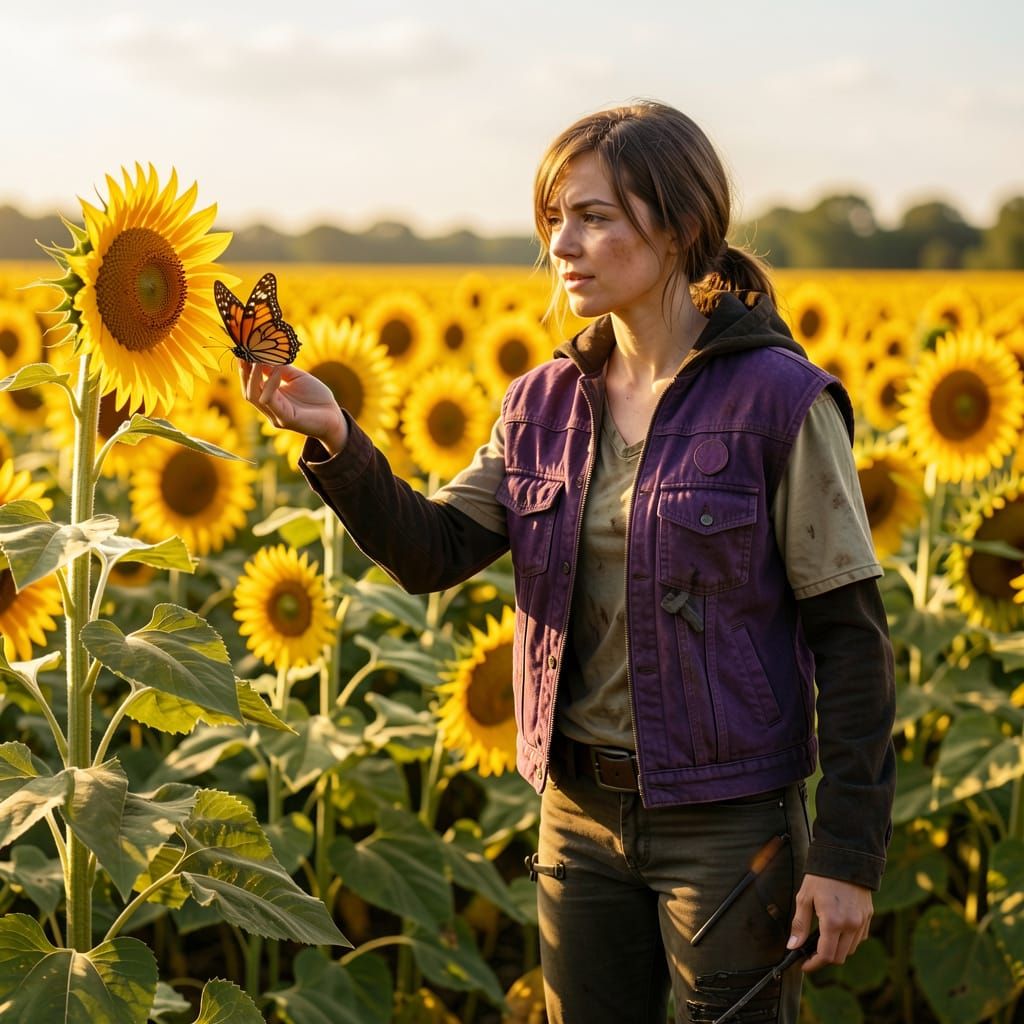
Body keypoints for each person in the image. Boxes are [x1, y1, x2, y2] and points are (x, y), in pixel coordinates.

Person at [239, 99, 895, 1024]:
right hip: (576, 816)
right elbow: (434, 553)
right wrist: (337, 439)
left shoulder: (780, 403)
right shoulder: (542, 403)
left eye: (593, 216)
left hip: (726, 822)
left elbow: (852, 640)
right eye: (553, 218)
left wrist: (846, 857)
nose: (562, 244)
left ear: (678, 225)